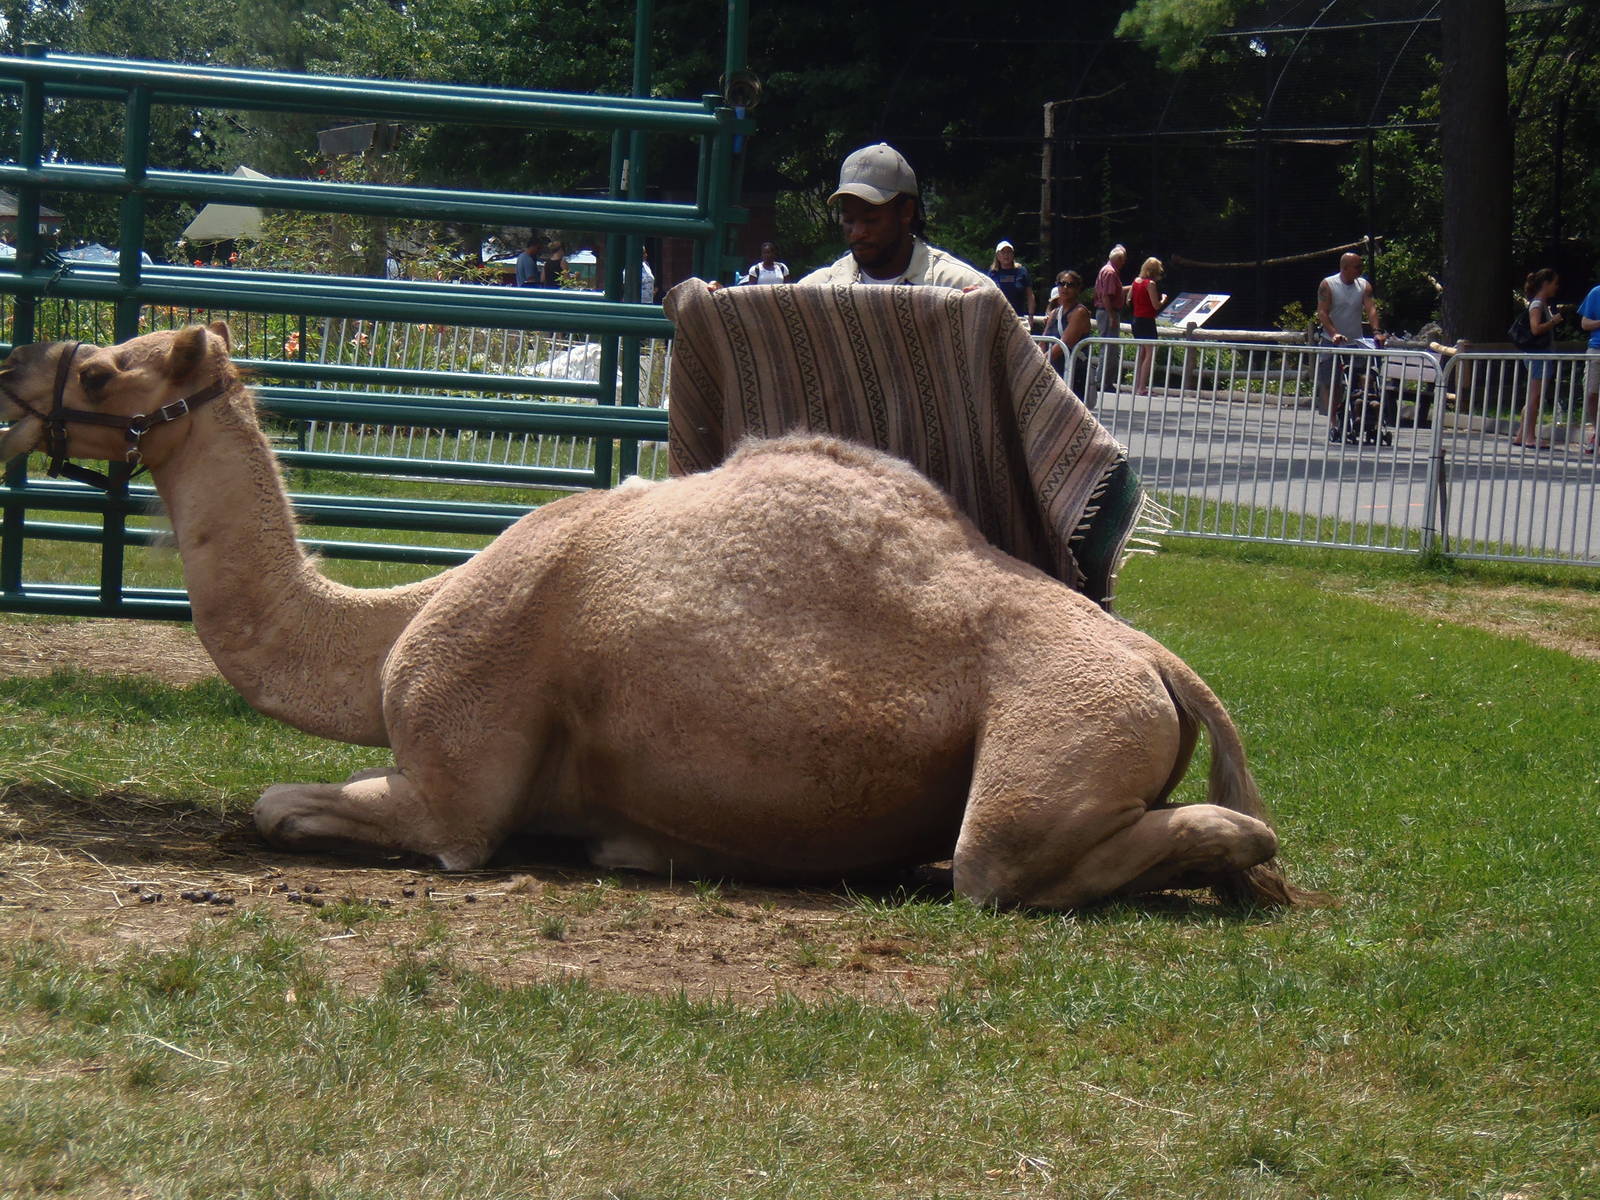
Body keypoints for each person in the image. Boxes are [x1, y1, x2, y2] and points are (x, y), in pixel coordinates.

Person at [798, 143, 998, 292]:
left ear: (906, 212)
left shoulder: (960, 288)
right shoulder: (815, 292)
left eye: (871, 220)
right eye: (849, 220)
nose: (857, 233)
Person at [1314, 252, 1385, 443]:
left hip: (1355, 341)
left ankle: (1364, 418)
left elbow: (1370, 308)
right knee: (1332, 383)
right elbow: (1322, 312)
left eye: (1361, 266)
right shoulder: (1328, 284)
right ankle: (1334, 423)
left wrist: (1376, 331)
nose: (1360, 270)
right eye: (1357, 266)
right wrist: (1334, 333)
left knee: (1362, 380)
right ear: (1345, 268)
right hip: (1332, 341)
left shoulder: (1363, 286)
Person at [1513, 268, 1563, 449]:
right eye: (1555, 283)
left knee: (1534, 396)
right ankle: (1530, 436)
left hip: (1539, 355)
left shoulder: (1540, 303)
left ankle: (1521, 434)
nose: (1557, 287)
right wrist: (1553, 322)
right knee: (1535, 396)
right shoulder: (1537, 304)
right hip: (1538, 356)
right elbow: (1535, 329)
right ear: (1546, 284)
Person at [1042, 269, 1093, 401]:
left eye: (1070, 285)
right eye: (1061, 283)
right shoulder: (1054, 313)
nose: (1065, 287)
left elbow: (1064, 344)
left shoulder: (1080, 312)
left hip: (1074, 373)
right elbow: (1043, 341)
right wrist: (1037, 360)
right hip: (1054, 371)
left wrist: (1041, 363)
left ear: (1077, 289)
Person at [1130, 257, 1167, 396]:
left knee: (1142, 353)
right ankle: (1141, 387)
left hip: (1136, 320)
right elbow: (1155, 305)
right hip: (1146, 321)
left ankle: (1136, 385)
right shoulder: (1150, 284)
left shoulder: (1136, 281)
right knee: (1150, 353)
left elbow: (1129, 299)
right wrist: (1163, 299)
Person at [1579, 279, 1600, 454]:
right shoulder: (1596, 292)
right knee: (1591, 393)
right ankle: (1597, 430)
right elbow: (1585, 323)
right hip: (1596, 349)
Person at [988, 240, 1034, 321]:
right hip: (997, 317)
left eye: (1009, 252)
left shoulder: (1021, 271)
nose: (1006, 255)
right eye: (1003, 252)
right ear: (997, 255)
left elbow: (1030, 295)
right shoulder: (993, 273)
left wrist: (1031, 316)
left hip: (1018, 317)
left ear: (1013, 254)